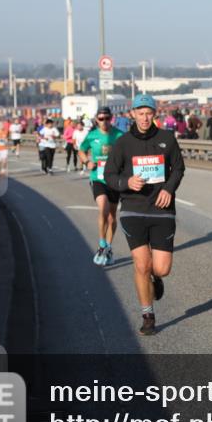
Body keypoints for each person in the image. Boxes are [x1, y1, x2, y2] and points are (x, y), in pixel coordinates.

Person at [103, 94, 185, 336]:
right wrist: (126, 181)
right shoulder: (122, 143)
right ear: (133, 114)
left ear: (154, 114)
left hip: (162, 210)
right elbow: (109, 175)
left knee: (161, 269)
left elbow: (178, 168)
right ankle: (147, 314)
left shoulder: (167, 139)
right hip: (133, 210)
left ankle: (155, 278)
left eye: (148, 112)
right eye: (140, 113)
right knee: (141, 264)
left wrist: (169, 189)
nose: (145, 117)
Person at [79, 107, 126, 266]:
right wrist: (87, 161)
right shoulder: (92, 135)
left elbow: (129, 152)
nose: (104, 121)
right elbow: (81, 150)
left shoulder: (119, 135)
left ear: (111, 118)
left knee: (112, 216)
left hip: (114, 179)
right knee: (103, 208)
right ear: (96, 120)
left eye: (107, 118)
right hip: (98, 177)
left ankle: (109, 246)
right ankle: (101, 244)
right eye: (101, 118)